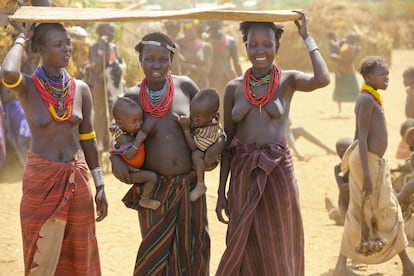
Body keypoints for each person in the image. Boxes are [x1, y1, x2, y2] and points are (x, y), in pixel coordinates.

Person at [215, 10, 331, 275]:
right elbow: (228, 142)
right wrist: (222, 191)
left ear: (277, 47)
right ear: (244, 47)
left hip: (278, 172)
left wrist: (307, 38)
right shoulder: (233, 88)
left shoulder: (287, 80)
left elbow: (322, 79)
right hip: (244, 172)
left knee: (280, 240)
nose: (260, 50)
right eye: (253, 44)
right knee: (242, 241)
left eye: (267, 44)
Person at [1, 22, 108, 275]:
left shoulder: (80, 89)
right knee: (40, 250)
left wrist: (100, 184)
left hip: (77, 179)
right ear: (40, 49)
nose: (67, 48)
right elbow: (7, 73)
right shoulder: (28, 87)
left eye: (68, 43)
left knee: (82, 250)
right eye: (58, 44)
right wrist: (21, 38)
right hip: (41, 180)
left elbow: (89, 139)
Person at [110, 32, 219, 275]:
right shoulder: (131, 96)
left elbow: (209, 119)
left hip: (189, 187)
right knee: (155, 256)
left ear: (171, 60)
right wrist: (115, 157)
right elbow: (119, 136)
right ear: (140, 60)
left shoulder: (185, 86)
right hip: (154, 188)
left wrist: (212, 150)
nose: (156, 65)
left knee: (194, 250)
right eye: (150, 59)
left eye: (163, 59)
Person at [333, 56, 414, 276]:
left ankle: (407, 264)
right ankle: (342, 266)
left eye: (388, 73)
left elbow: (358, 135)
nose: (387, 77)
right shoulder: (367, 100)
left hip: (370, 161)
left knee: (374, 209)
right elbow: (361, 136)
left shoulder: (370, 97)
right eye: (382, 74)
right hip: (367, 162)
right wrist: (366, 174)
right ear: (368, 77)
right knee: (382, 209)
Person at [176, 88, 226, 202]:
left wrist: (185, 130)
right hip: (204, 148)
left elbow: (193, 147)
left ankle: (200, 184)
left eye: (198, 117)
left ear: (213, 117)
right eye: (192, 115)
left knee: (196, 155)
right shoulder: (206, 120)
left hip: (209, 160)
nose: (194, 119)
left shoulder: (209, 131)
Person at [110, 96, 160, 210]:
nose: (139, 125)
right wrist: (138, 141)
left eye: (140, 120)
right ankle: (144, 199)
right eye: (134, 122)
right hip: (130, 171)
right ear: (120, 123)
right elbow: (129, 155)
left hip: (136, 167)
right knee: (152, 177)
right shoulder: (123, 138)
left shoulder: (127, 130)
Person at [88, 22, 125, 162]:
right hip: (99, 88)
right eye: (110, 31)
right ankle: (98, 150)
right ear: (101, 32)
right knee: (100, 117)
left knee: (115, 116)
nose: (112, 34)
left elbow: (120, 65)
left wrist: (115, 72)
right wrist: (101, 50)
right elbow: (96, 70)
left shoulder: (114, 47)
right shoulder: (94, 48)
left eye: (113, 31)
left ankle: (115, 148)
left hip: (114, 88)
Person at [207, 20, 243, 112]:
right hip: (211, 80)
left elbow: (237, 63)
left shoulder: (230, 41)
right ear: (209, 24)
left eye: (218, 21)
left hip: (226, 78)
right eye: (213, 22)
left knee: (227, 105)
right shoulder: (205, 42)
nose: (216, 24)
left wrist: (243, 81)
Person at [176, 19, 213, 89]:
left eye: (190, 29)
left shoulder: (205, 46)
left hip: (201, 86)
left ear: (196, 29)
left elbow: (207, 70)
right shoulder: (179, 45)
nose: (188, 32)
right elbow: (175, 67)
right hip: (185, 87)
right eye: (186, 30)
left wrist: (191, 67)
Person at [332, 31, 361, 117]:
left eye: (354, 38)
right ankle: (339, 111)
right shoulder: (346, 46)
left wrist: (356, 52)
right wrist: (337, 70)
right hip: (342, 71)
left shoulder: (354, 48)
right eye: (351, 38)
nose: (352, 39)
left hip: (349, 71)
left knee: (355, 90)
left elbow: (349, 60)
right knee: (339, 91)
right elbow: (347, 60)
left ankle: (357, 110)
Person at [325, 136, 353, 226]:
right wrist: (356, 184)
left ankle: (333, 209)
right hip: (345, 204)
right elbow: (342, 187)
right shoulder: (338, 168)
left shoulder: (357, 166)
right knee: (345, 222)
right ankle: (332, 211)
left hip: (355, 202)